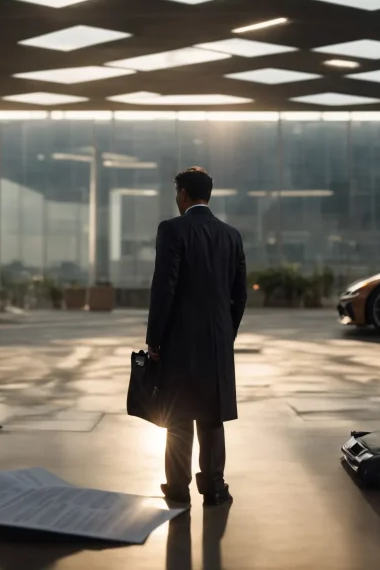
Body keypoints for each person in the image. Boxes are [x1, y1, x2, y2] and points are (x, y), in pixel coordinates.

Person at [146, 166, 247, 507]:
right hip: (218, 339)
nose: (176, 199)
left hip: (179, 339)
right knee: (212, 414)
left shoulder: (172, 230)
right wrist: (225, 334)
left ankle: (178, 489)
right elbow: (240, 294)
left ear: (184, 194)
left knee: (178, 417)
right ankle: (215, 489)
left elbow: (165, 288)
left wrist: (155, 339)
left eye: (177, 193)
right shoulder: (231, 235)